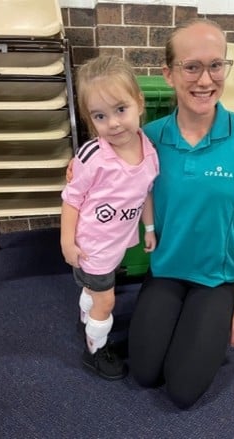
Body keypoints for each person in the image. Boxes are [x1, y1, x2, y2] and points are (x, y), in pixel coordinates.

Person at [127, 18, 234, 409]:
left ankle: (206, 318)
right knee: (143, 374)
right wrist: (79, 170)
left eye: (216, 65)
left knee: (181, 392)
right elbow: (105, 175)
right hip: (164, 271)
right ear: (168, 74)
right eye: (191, 66)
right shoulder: (149, 138)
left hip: (217, 278)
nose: (205, 79)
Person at [61, 55, 159, 381]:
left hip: (116, 243)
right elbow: (71, 199)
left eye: (121, 110)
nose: (114, 123)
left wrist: (148, 226)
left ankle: (85, 317)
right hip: (92, 248)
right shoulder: (93, 156)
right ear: (90, 119)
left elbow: (145, 190)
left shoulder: (149, 150)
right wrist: (66, 241)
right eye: (100, 116)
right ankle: (95, 350)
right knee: (106, 299)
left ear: (139, 103)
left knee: (94, 293)